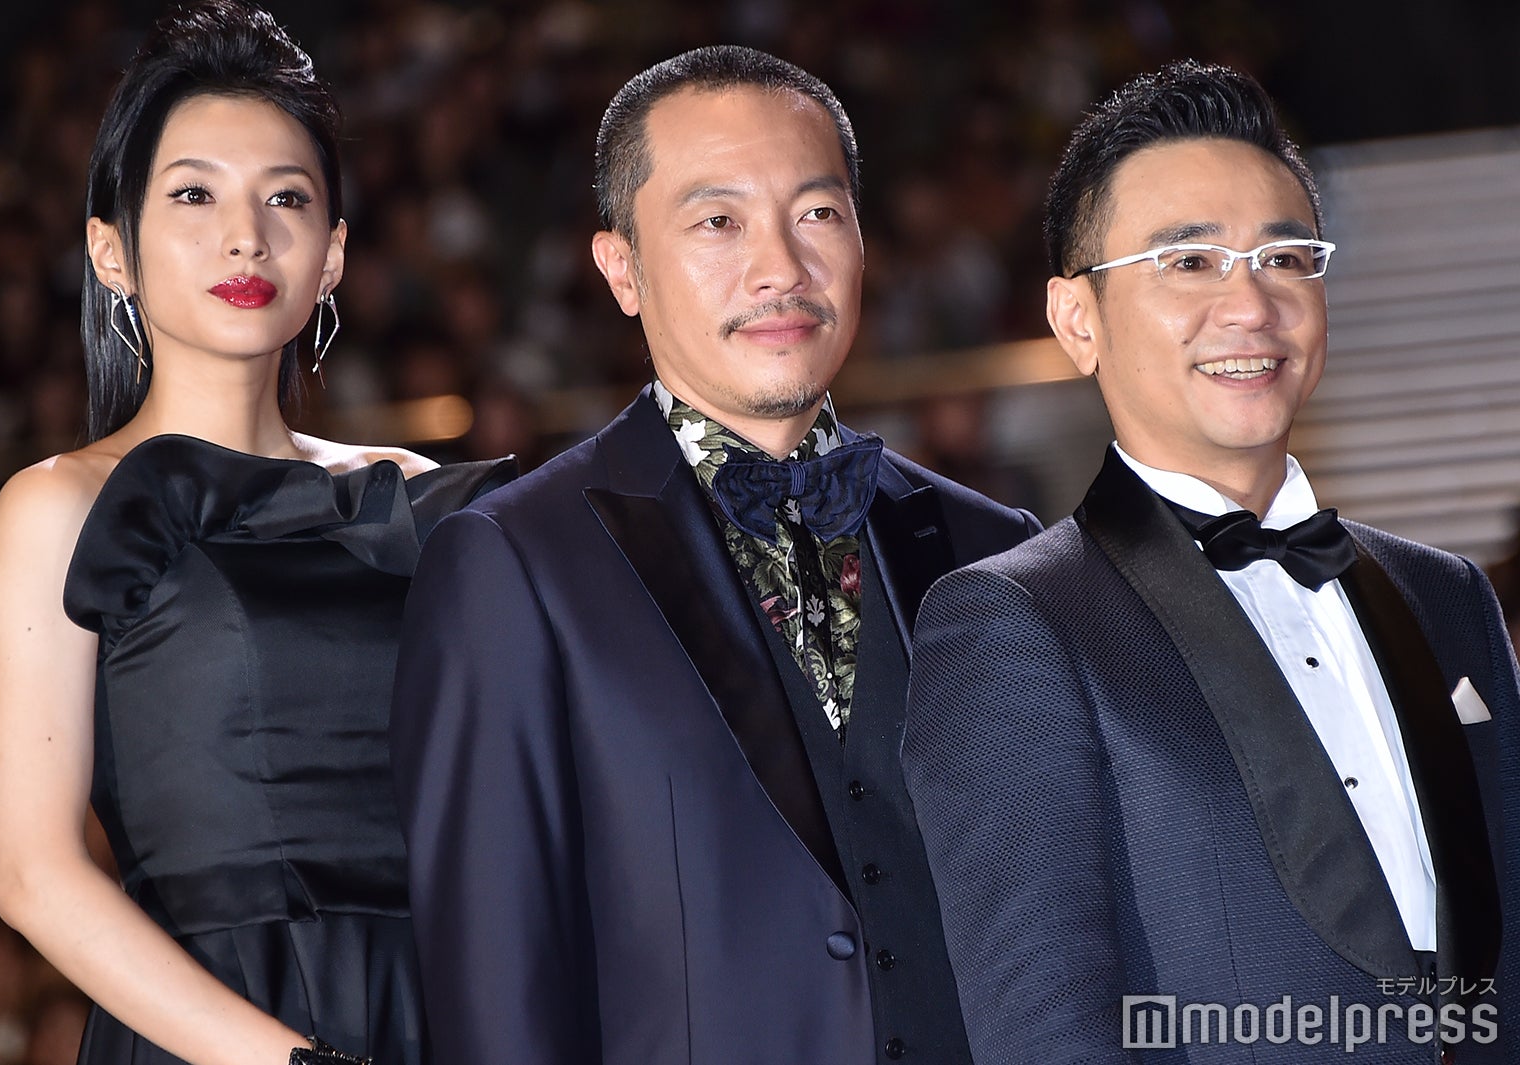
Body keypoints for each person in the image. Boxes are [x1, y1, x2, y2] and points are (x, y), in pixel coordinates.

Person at [389, 45, 1038, 1065]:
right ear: (622, 269)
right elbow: (494, 995)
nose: (781, 268)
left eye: (816, 213)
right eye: (718, 222)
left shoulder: (995, 549)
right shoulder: (515, 564)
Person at [902, 60, 1518, 1063]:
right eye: (1189, 262)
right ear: (1077, 320)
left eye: (1285, 257)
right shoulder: (1014, 623)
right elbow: (1046, 1029)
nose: (1250, 304)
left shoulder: (1446, 596)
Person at [0, 4, 512, 1064]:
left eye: (287, 198)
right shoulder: (58, 507)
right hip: (210, 1034)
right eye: (194, 194)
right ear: (111, 250)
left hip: (442, 1013)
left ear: (332, 255)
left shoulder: (417, 501)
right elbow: (36, 876)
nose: (246, 235)